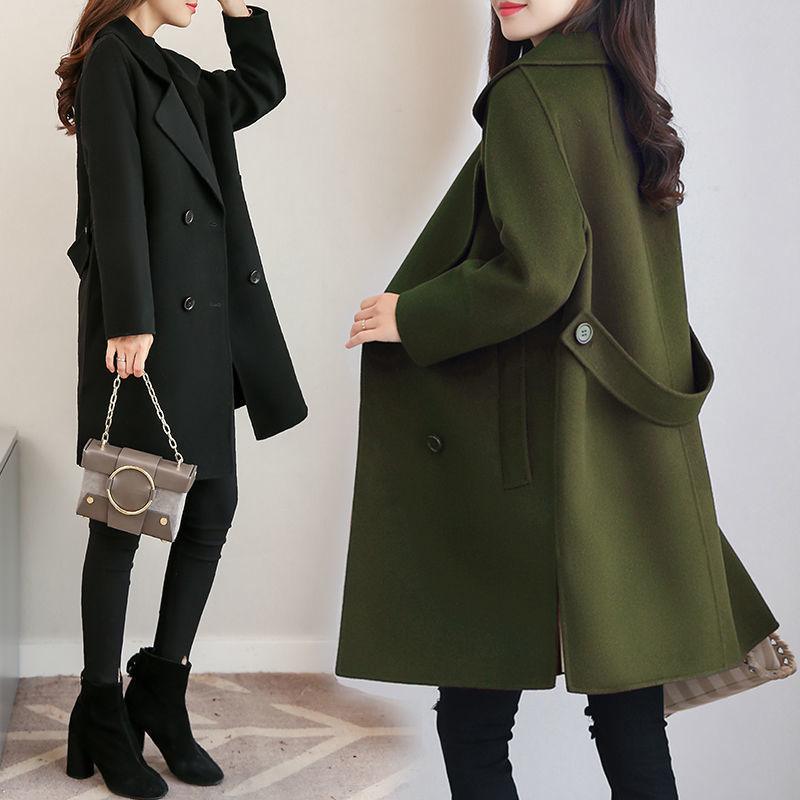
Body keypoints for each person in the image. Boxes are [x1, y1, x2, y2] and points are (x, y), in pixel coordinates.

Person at [335, 1, 781, 798]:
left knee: (474, 722)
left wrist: (414, 315)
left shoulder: (531, 93)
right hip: (624, 450)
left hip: (537, 459)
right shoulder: (623, 93)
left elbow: (539, 274)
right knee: (631, 720)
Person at [55, 1, 306, 796]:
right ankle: (101, 705)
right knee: (123, 518)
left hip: (203, 334)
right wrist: (129, 317)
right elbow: (113, 191)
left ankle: (161, 687)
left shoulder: (184, 76)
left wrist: (241, 11)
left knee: (210, 506)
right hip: (148, 334)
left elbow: (263, 85)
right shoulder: (112, 59)